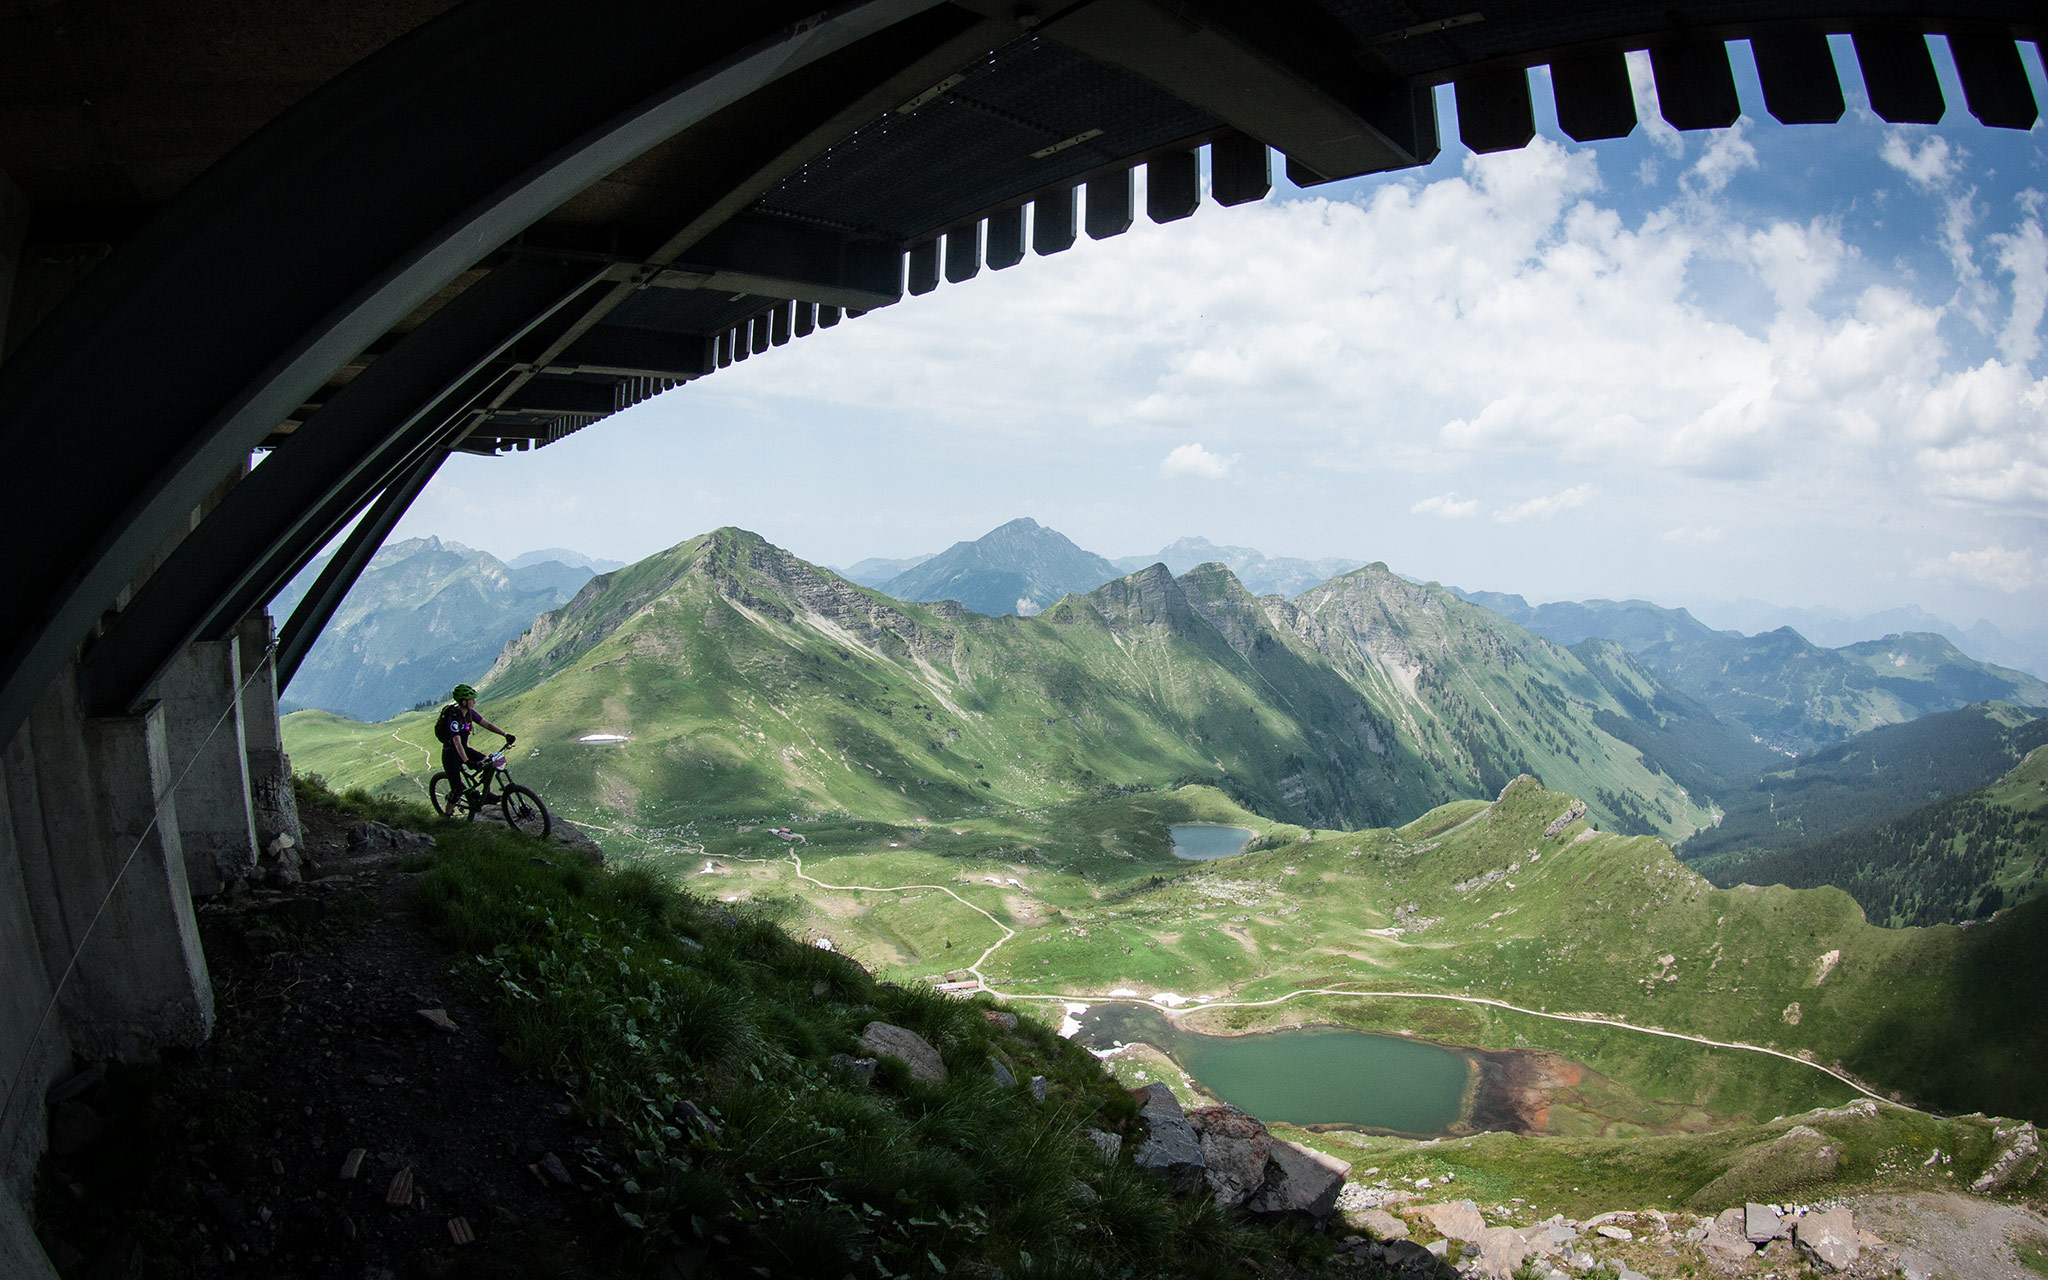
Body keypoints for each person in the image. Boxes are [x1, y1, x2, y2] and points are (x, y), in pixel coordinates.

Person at [435, 683, 514, 811]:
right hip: (450, 755)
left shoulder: (469, 714)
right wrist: (467, 762)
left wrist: (505, 734)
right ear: (464, 702)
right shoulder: (454, 719)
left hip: (464, 750)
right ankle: (446, 816)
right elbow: (457, 743)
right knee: (457, 791)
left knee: (489, 763)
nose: (474, 701)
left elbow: (487, 724)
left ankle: (486, 794)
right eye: (472, 699)